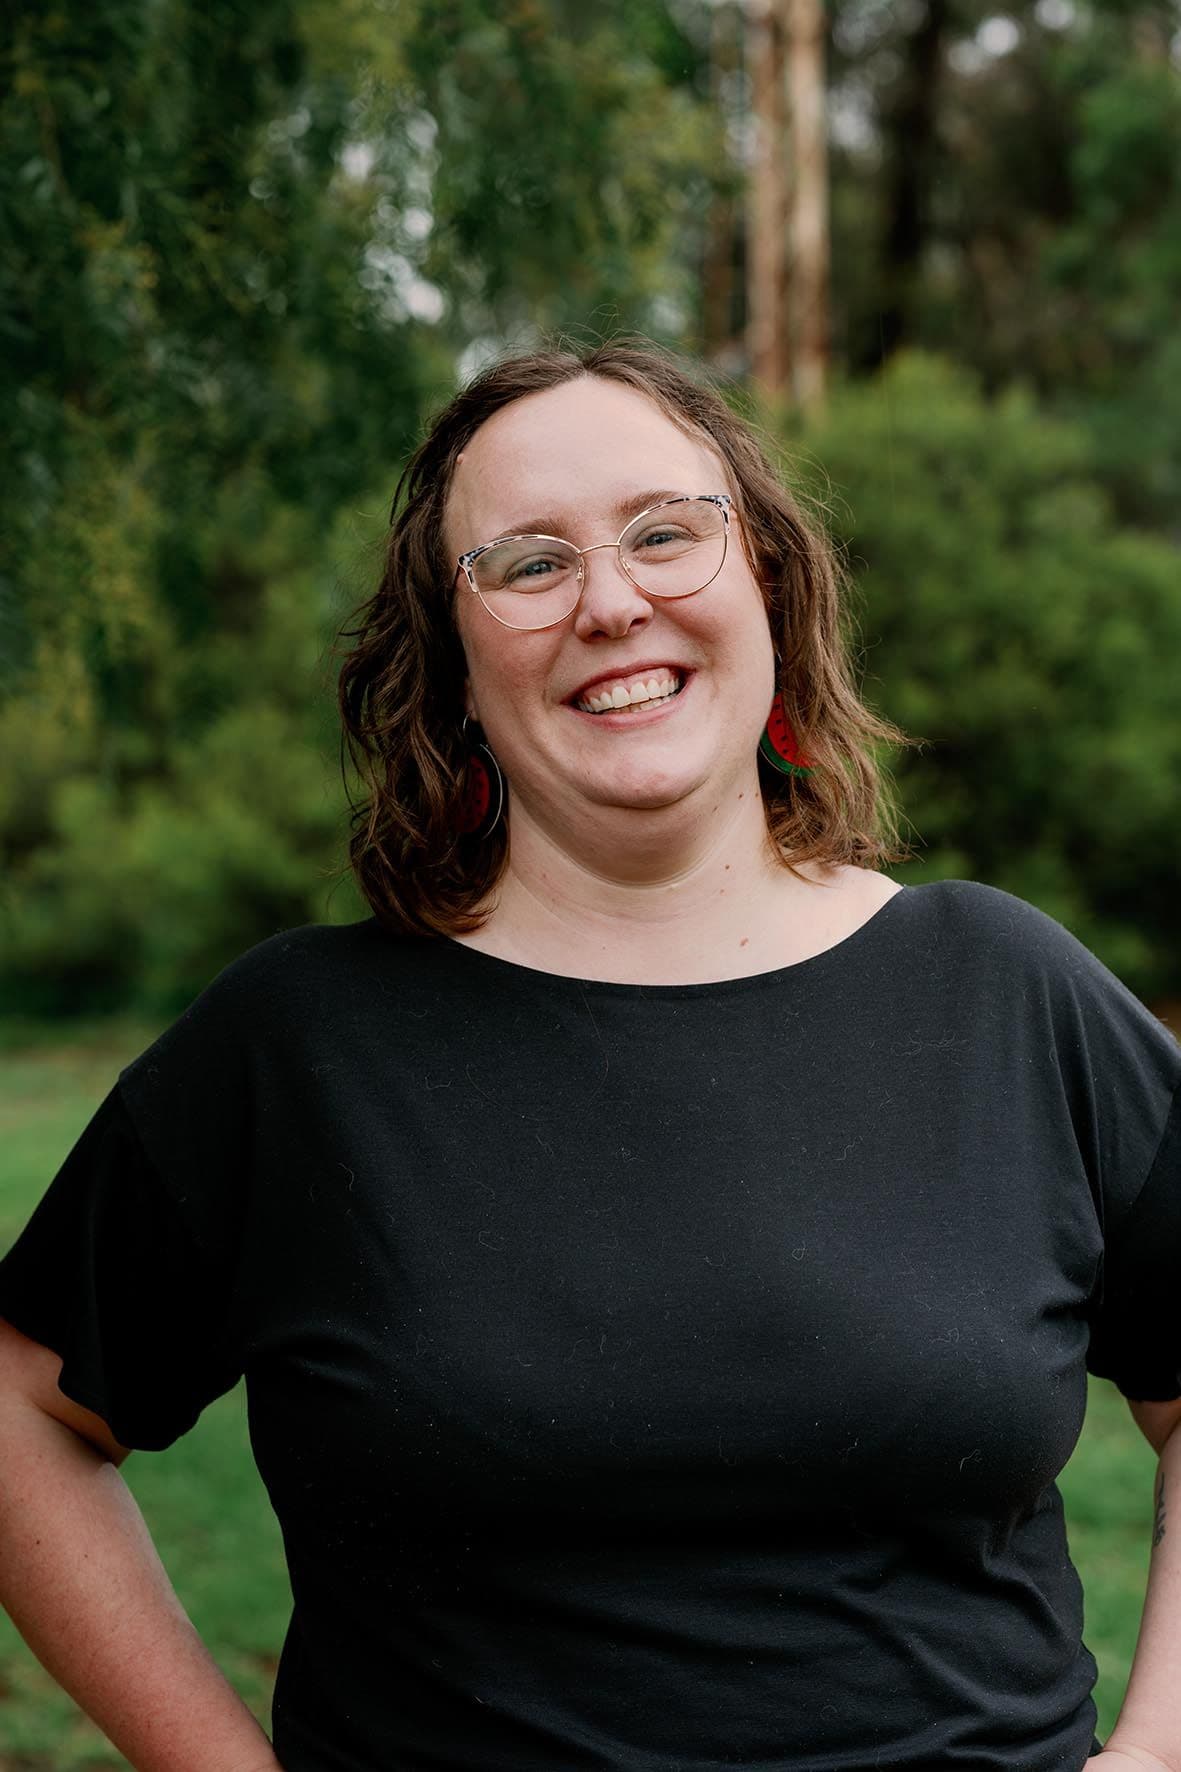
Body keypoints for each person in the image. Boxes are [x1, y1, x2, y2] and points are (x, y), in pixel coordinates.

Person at [0, 339, 1178, 1772]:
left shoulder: (1004, 994)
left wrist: (1156, 1751)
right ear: (452, 659)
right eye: (529, 563)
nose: (611, 603)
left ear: (767, 581)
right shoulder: (299, 1049)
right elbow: (21, 1415)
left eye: (665, 533)